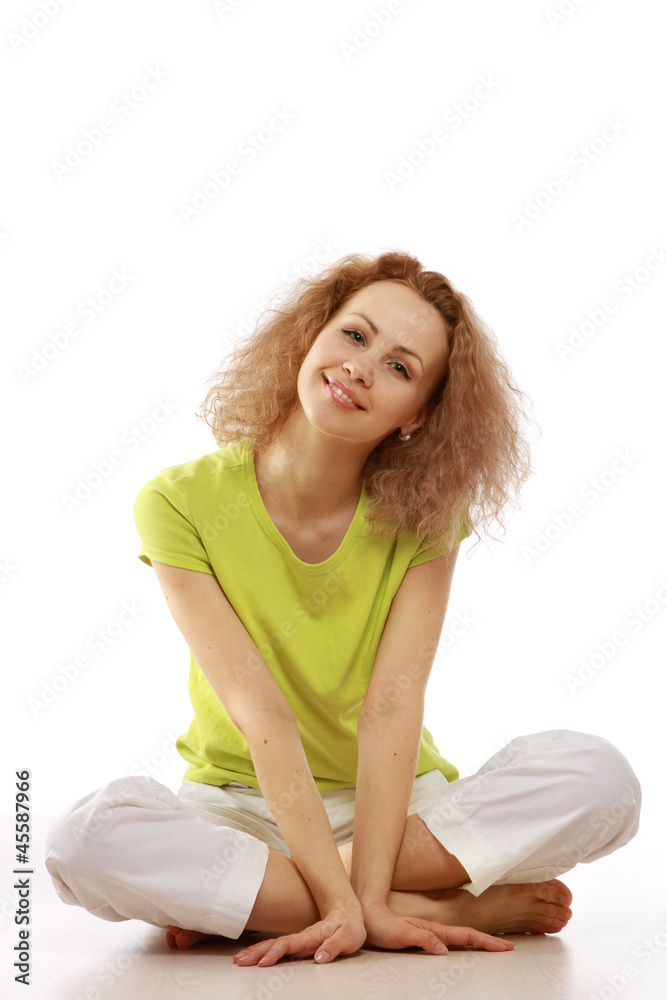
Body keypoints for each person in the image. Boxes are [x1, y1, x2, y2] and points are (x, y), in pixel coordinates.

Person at [45, 250, 641, 969]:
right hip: (242, 805)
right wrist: (354, 903)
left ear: (417, 413)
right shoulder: (178, 501)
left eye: (399, 367)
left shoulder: (424, 517)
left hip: (391, 813)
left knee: (600, 779)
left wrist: (342, 876)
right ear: (310, 339)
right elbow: (259, 711)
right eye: (355, 337)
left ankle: (261, 904)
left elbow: (391, 706)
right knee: (79, 842)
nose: (361, 367)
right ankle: (419, 900)